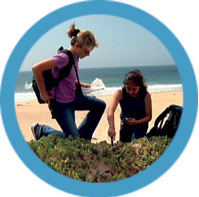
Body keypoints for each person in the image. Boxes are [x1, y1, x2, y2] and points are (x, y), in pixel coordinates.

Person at [31, 23, 106, 141]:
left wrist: (86, 85)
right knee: (73, 140)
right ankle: (41, 130)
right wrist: (43, 92)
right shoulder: (64, 57)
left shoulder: (76, 57)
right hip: (62, 105)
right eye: (87, 51)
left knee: (100, 105)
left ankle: (82, 138)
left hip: (73, 98)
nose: (88, 54)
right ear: (78, 46)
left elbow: (68, 79)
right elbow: (36, 68)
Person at [107, 69, 152, 143]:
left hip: (140, 124)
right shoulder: (120, 93)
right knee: (124, 145)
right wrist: (111, 127)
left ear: (140, 86)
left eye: (134, 89)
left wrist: (137, 122)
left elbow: (148, 117)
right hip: (126, 124)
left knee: (135, 144)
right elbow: (110, 110)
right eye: (128, 89)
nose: (131, 92)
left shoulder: (146, 95)